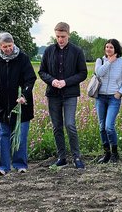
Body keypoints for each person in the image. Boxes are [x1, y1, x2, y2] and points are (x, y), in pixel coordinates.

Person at [38, 22, 88, 169]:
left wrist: (66, 82)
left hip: (70, 93)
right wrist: (52, 81)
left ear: (68, 35)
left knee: (70, 124)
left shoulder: (77, 51)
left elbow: (83, 73)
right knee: (57, 126)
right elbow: (42, 71)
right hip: (53, 94)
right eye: (58, 36)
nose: (60, 39)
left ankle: (77, 157)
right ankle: (62, 157)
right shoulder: (48, 51)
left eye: (63, 36)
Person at [0, 32, 37, 176]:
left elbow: (31, 78)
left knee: (20, 135)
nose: (8, 49)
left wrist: (24, 95)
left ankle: (20, 164)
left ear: (13, 44)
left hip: (21, 104)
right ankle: (4, 167)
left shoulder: (22, 58)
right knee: (4, 135)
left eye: (10, 46)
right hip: (4, 105)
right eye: (4, 46)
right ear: (0, 46)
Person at [94, 39, 122, 164]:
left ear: (116, 49)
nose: (108, 49)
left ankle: (115, 153)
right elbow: (98, 73)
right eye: (107, 47)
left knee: (109, 126)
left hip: (113, 98)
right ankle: (106, 153)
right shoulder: (100, 60)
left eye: (111, 47)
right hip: (100, 97)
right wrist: (109, 62)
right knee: (102, 127)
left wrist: (120, 93)